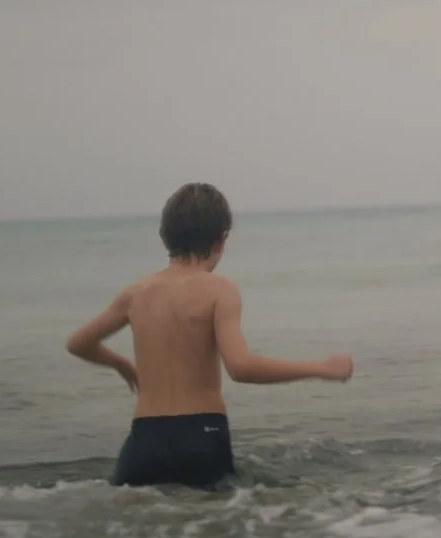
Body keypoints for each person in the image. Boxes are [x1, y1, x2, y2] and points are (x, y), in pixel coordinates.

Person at [65, 182, 354, 488]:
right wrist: (322, 368)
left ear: (165, 236)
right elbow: (240, 367)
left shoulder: (136, 293)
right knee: (214, 528)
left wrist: (120, 364)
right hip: (201, 434)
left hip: (145, 441)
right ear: (222, 239)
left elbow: (78, 343)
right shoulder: (219, 289)